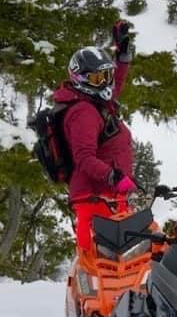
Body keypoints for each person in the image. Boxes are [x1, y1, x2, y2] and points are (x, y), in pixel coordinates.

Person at [54, 20, 138, 258]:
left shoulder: (97, 101)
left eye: (107, 75)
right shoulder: (83, 112)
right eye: (97, 78)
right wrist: (114, 176)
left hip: (109, 196)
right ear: (81, 79)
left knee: (123, 261)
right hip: (94, 199)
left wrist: (122, 55)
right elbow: (84, 158)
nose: (105, 83)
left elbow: (117, 84)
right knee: (101, 265)